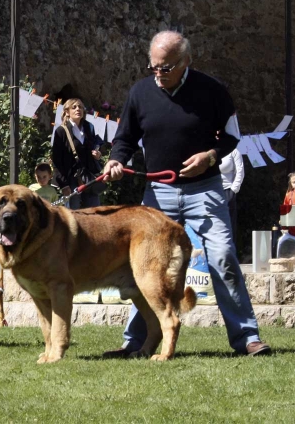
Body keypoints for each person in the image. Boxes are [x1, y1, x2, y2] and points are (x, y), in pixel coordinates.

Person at [102, 30, 271, 357]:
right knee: (147, 267)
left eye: (166, 68)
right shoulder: (140, 92)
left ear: (186, 62)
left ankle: (247, 338)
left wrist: (209, 157)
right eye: (154, 67)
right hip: (157, 195)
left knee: (223, 257)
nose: (158, 75)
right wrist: (115, 160)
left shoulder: (213, 91)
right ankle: (134, 343)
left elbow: (232, 138)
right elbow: (124, 138)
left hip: (205, 191)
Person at [52, 98, 104, 209]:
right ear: (67, 111)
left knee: (94, 212)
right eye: (74, 107)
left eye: (80, 107)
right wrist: (64, 184)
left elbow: (93, 147)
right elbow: (57, 160)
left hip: (88, 177)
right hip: (71, 179)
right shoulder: (61, 131)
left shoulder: (89, 128)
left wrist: (97, 154)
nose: (78, 109)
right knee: (73, 215)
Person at [219, 148, 244, 244]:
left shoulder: (234, 151)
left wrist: (233, 190)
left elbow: (240, 171)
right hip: (212, 191)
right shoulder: (208, 149)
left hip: (227, 191)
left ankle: (230, 254)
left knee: (229, 224)